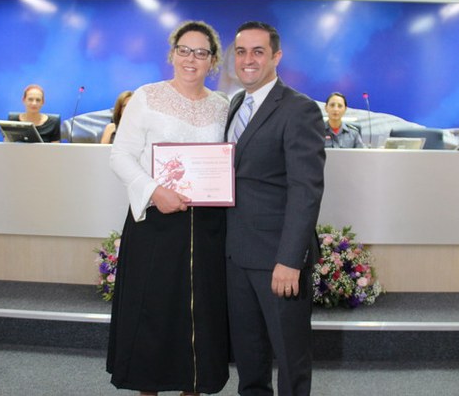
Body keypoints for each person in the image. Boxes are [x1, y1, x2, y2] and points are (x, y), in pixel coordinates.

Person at [106, 20, 230, 395]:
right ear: (172, 54)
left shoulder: (223, 106)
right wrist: (154, 190)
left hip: (207, 227)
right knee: (154, 312)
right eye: (184, 50)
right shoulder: (146, 97)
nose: (191, 59)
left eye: (201, 53)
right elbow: (120, 156)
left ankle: (194, 388)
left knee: (201, 313)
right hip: (156, 223)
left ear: (213, 61)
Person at [225, 21, 325, 396]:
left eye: (258, 51)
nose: (248, 59)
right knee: (249, 356)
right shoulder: (236, 104)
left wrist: (289, 259)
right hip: (235, 255)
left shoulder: (299, 109)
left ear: (276, 56)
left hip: (277, 260)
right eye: (241, 51)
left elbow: (306, 190)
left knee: (289, 355)